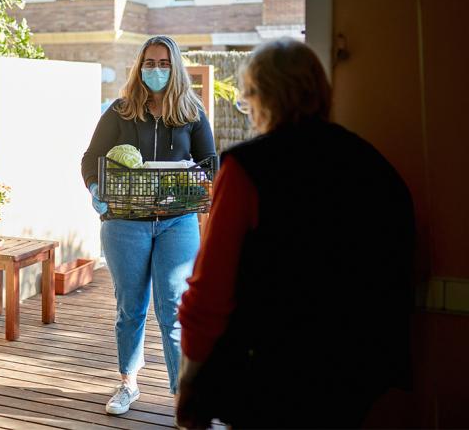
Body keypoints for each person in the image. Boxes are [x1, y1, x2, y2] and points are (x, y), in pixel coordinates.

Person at [175, 38, 415, 429]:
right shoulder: (373, 165)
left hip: (272, 373)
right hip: (359, 372)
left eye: (247, 96)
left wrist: (191, 380)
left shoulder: (247, 168)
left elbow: (210, 292)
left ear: (260, 97)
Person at [81, 35, 216, 415]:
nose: (155, 70)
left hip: (177, 222)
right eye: (149, 62)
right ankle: (128, 384)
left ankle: (181, 395)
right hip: (124, 223)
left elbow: (210, 163)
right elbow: (91, 157)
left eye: (163, 63)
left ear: (175, 68)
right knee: (131, 307)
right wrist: (95, 187)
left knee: (173, 307)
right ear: (139, 66)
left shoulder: (192, 113)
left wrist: (198, 180)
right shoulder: (120, 111)